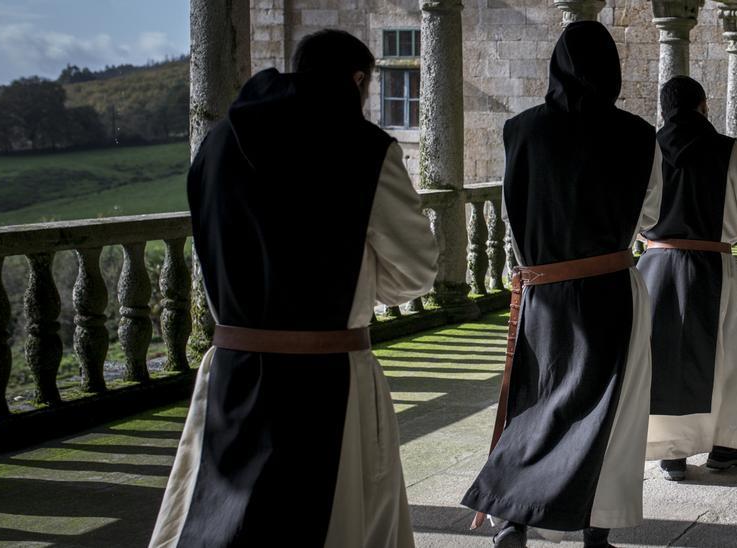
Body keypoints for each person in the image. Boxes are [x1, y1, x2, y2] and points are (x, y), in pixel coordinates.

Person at [149, 29, 437, 547]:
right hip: (330, 375)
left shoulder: (216, 144)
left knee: (220, 520)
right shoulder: (364, 148)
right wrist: (352, 286)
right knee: (336, 522)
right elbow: (415, 271)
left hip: (234, 370)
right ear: (357, 79)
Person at [460, 21, 661, 548]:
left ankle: (515, 519)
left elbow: (511, 209)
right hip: (612, 287)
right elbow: (652, 213)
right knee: (611, 414)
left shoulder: (520, 129)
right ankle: (596, 528)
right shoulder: (639, 135)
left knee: (536, 401)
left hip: (543, 291)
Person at [638, 76, 737, 482]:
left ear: (664, 109)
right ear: (703, 106)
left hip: (656, 265)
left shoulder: (647, 146)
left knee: (661, 357)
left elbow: (633, 207)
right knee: (727, 358)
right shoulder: (726, 147)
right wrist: (731, 235)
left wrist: (651, 236)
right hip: (712, 265)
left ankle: (670, 453)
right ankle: (726, 446)